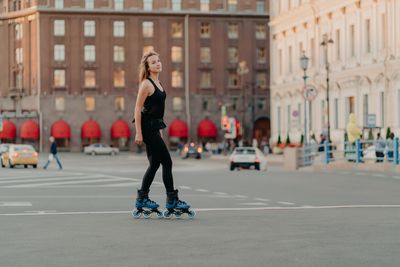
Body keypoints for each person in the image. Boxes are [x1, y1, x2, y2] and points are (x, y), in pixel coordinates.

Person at [133, 51, 191, 214]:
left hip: (154, 127)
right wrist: (138, 132)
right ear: (148, 67)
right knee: (167, 162)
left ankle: (142, 198)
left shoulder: (159, 83)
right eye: (153, 62)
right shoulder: (146, 84)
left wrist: (160, 131)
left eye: (158, 61)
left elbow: (158, 111)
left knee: (155, 164)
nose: (158, 63)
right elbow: (137, 108)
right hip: (147, 127)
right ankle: (172, 199)